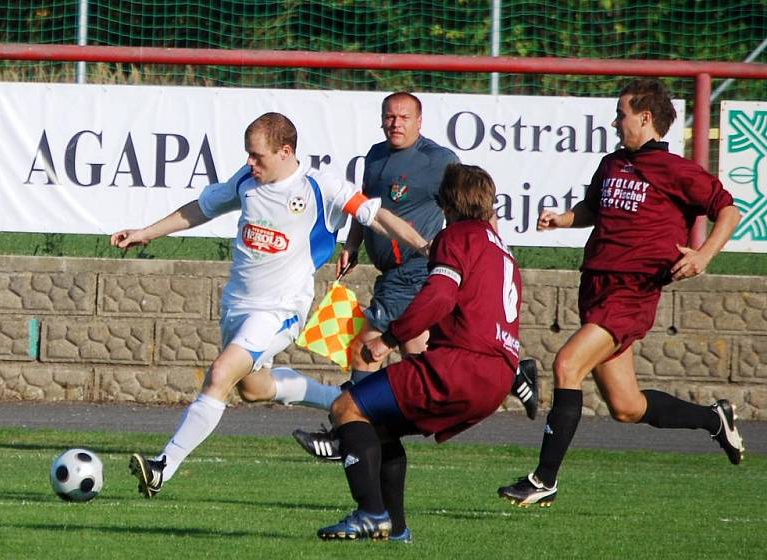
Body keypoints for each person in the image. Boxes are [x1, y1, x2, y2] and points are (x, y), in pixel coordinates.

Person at [111, 112, 429, 498]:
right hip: (236, 305)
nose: (250, 162)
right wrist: (145, 232)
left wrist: (427, 247)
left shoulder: (320, 186)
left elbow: (375, 216)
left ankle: (163, 466)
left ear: (285, 151)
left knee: (219, 375)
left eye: (257, 156)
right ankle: (345, 403)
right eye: (248, 155)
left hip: (280, 308)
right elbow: (200, 208)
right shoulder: (247, 182)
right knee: (253, 388)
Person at [498, 78, 745, 508]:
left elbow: (728, 208)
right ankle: (714, 418)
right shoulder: (612, 163)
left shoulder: (677, 170)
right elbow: (593, 210)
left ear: (645, 118)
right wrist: (562, 220)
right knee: (627, 406)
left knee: (566, 365)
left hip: (632, 293)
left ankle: (544, 480)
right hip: (596, 286)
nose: (616, 122)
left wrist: (704, 254)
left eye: (622, 114)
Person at [293, 92, 538, 461]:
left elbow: (478, 203)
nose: (396, 123)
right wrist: (353, 245)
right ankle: (513, 372)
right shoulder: (375, 157)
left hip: (417, 271)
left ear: (420, 122)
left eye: (404, 117)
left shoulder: (438, 160)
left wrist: (492, 247)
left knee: (366, 351)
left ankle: (348, 433)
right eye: (390, 116)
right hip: (389, 273)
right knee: (419, 356)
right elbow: (365, 208)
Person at [316, 163, 522, 542]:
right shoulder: (502, 251)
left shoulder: (457, 236)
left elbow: (440, 295)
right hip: (498, 378)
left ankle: (369, 514)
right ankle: (396, 530)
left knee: (346, 408)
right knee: (378, 428)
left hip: (459, 366)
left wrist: (389, 340)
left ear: (447, 203)